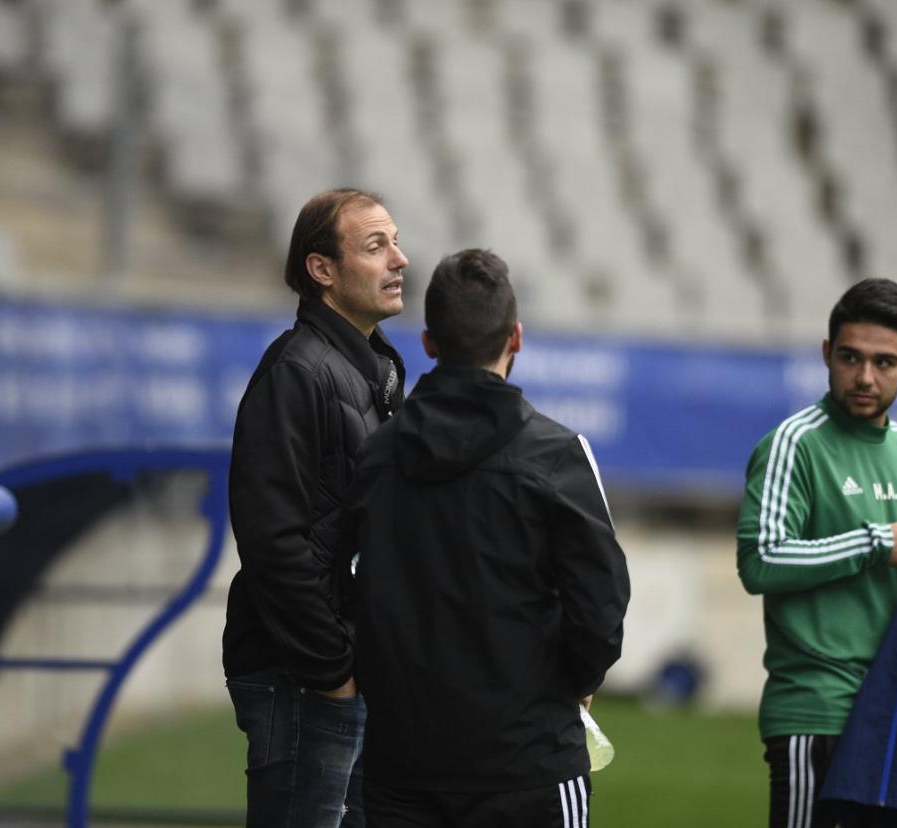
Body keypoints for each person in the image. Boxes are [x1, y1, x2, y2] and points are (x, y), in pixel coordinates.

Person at [341, 248, 631, 827]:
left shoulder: (376, 455)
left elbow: (347, 588)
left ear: (429, 343)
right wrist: (577, 682)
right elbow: (601, 607)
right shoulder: (557, 455)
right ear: (515, 337)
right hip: (530, 767)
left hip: (402, 767)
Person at [736, 277, 897, 828]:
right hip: (816, 711)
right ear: (826, 354)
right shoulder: (795, 443)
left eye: (884, 363)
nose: (865, 377)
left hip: (896, 710)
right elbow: (760, 559)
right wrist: (875, 542)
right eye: (850, 357)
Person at [222, 188, 409, 827]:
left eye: (396, 243)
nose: (400, 260)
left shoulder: (373, 366)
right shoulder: (296, 371)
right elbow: (272, 542)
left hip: (345, 670)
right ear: (322, 269)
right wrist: (333, 672)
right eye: (376, 246)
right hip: (305, 676)